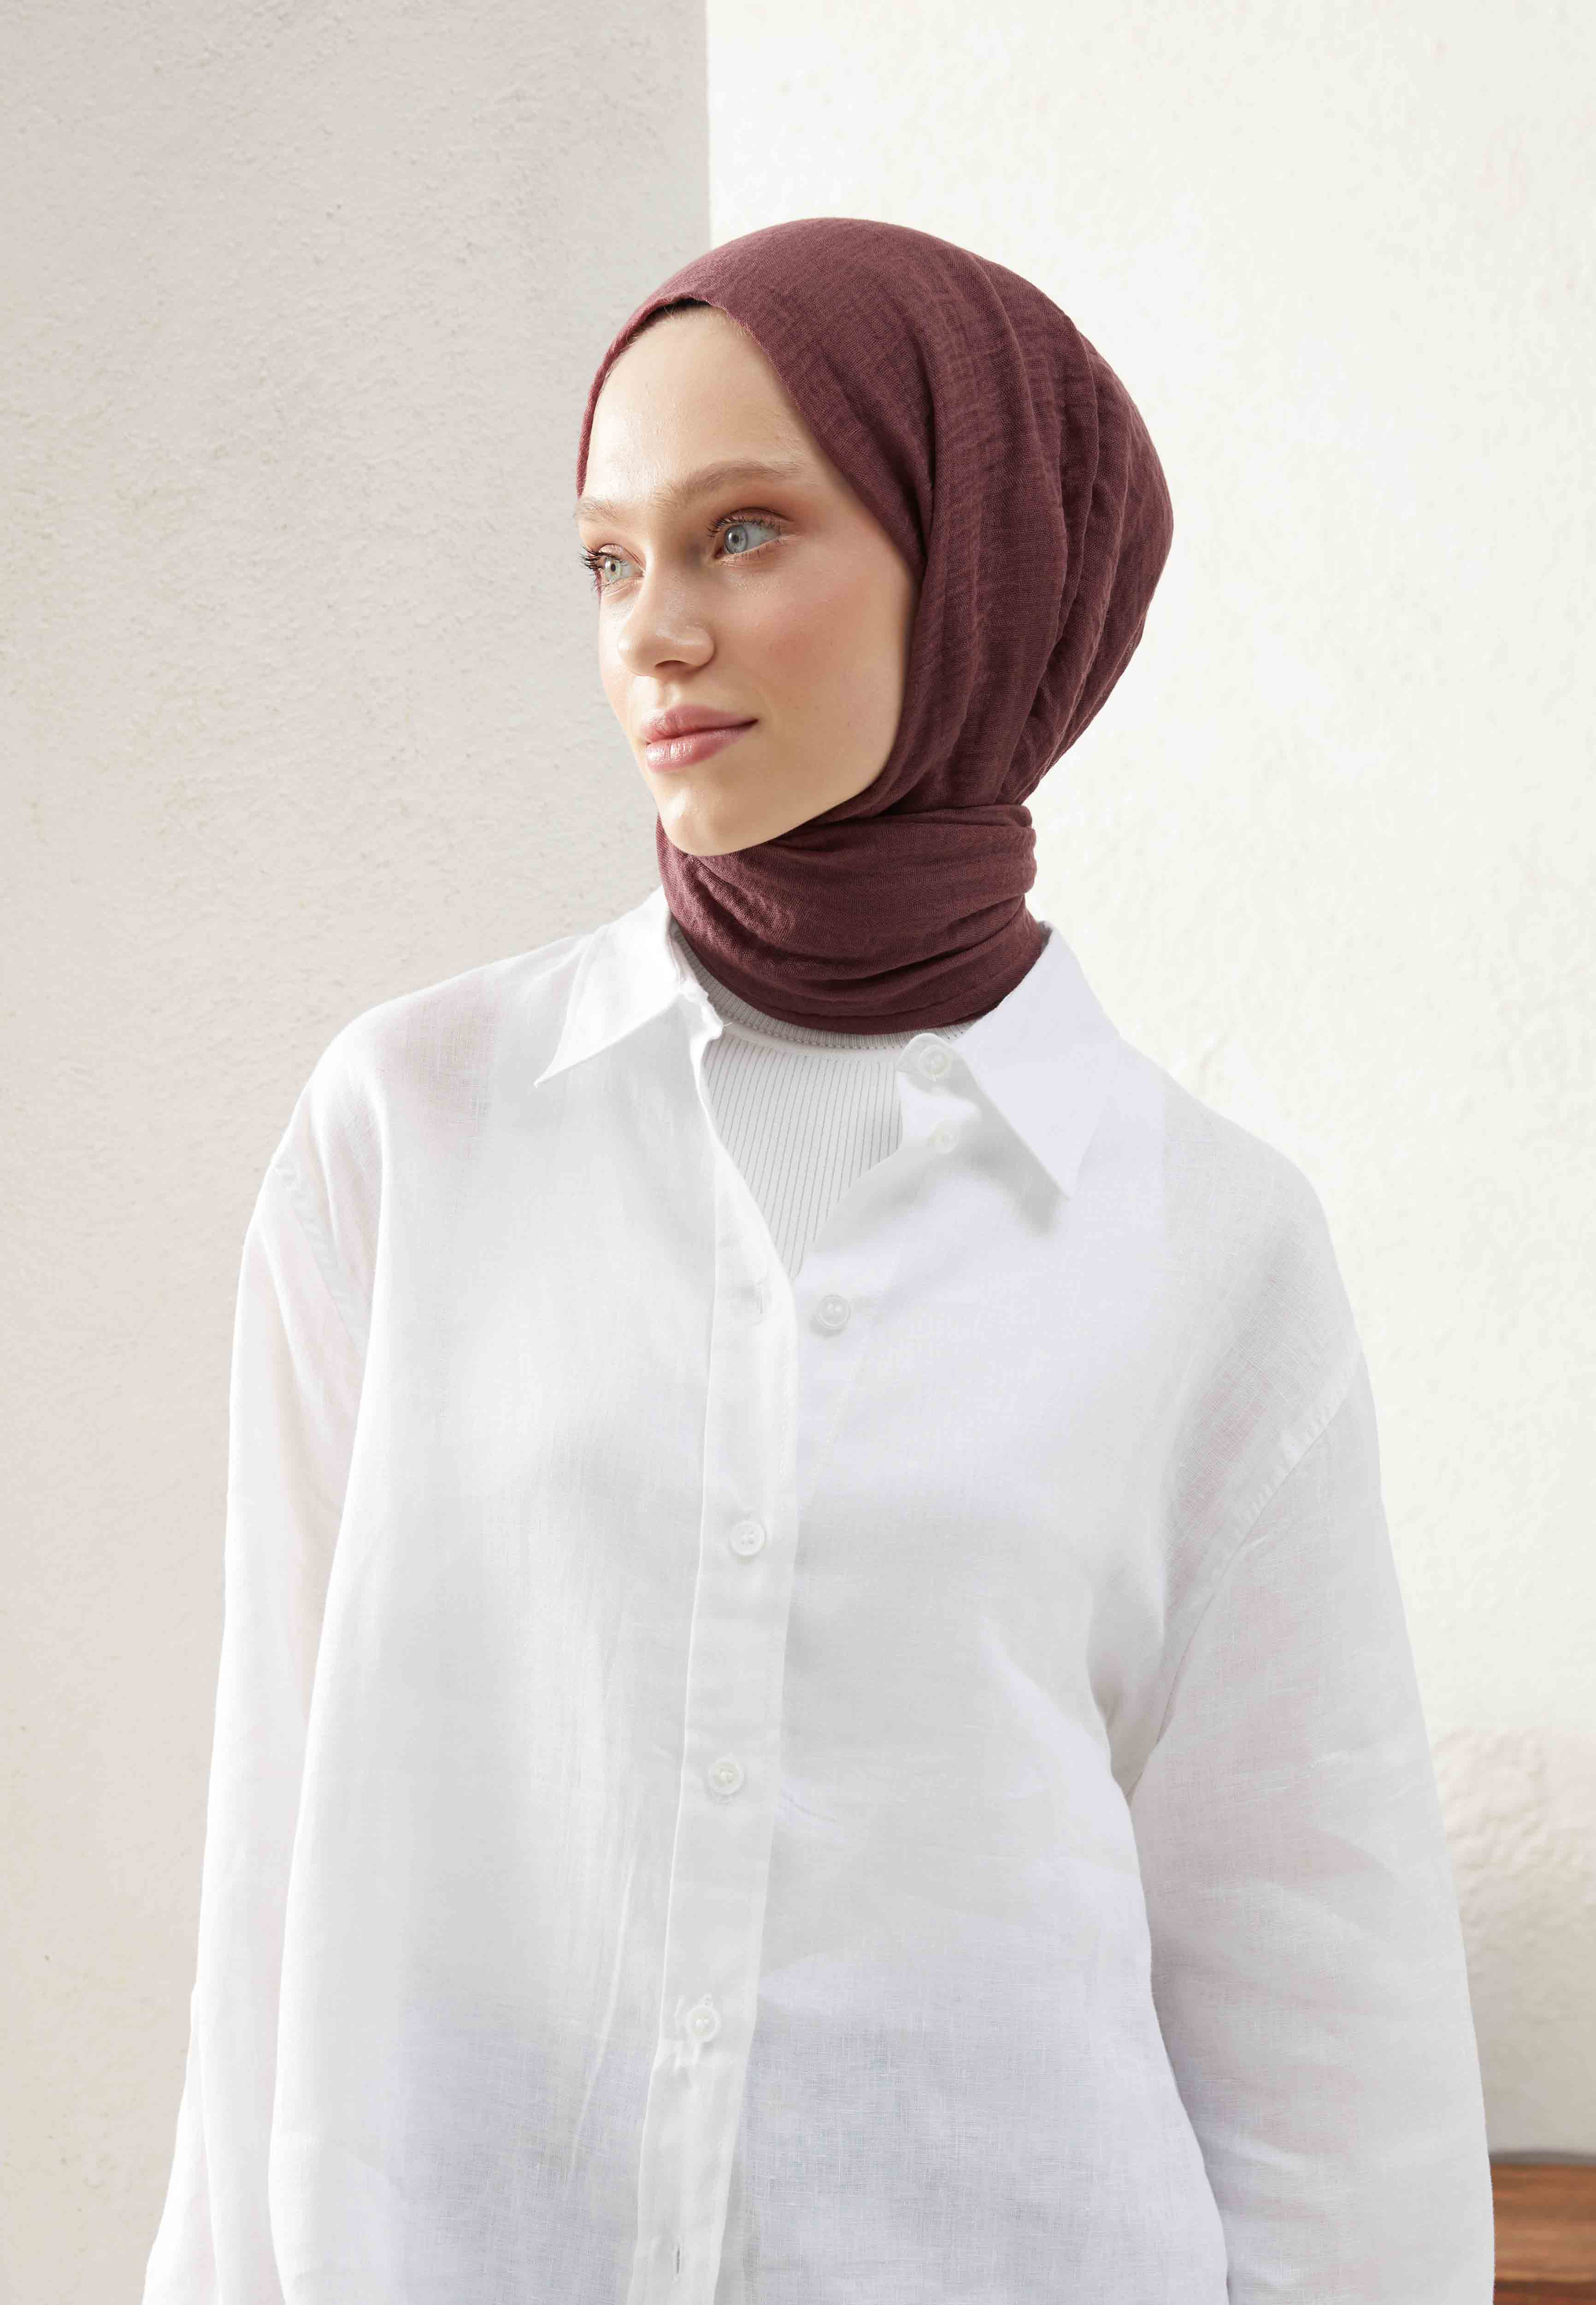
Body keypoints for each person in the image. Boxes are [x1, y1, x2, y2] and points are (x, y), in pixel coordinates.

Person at [143, 218, 1494, 2304]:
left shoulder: (1209, 1239)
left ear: (985, 565)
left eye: (743, 532)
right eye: (608, 561)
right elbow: (275, 1868)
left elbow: (1324, 2028)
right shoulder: (409, 1130)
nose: (654, 632)